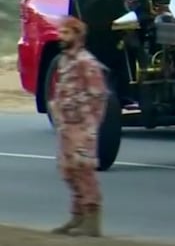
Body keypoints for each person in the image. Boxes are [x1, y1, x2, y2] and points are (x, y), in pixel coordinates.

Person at [49, 17, 109, 237]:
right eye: (60, 32)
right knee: (68, 171)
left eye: (65, 33)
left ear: (77, 36)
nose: (60, 37)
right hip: (67, 125)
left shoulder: (87, 62)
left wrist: (89, 126)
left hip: (82, 127)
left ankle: (92, 219)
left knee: (84, 171)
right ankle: (77, 216)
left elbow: (99, 96)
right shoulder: (65, 61)